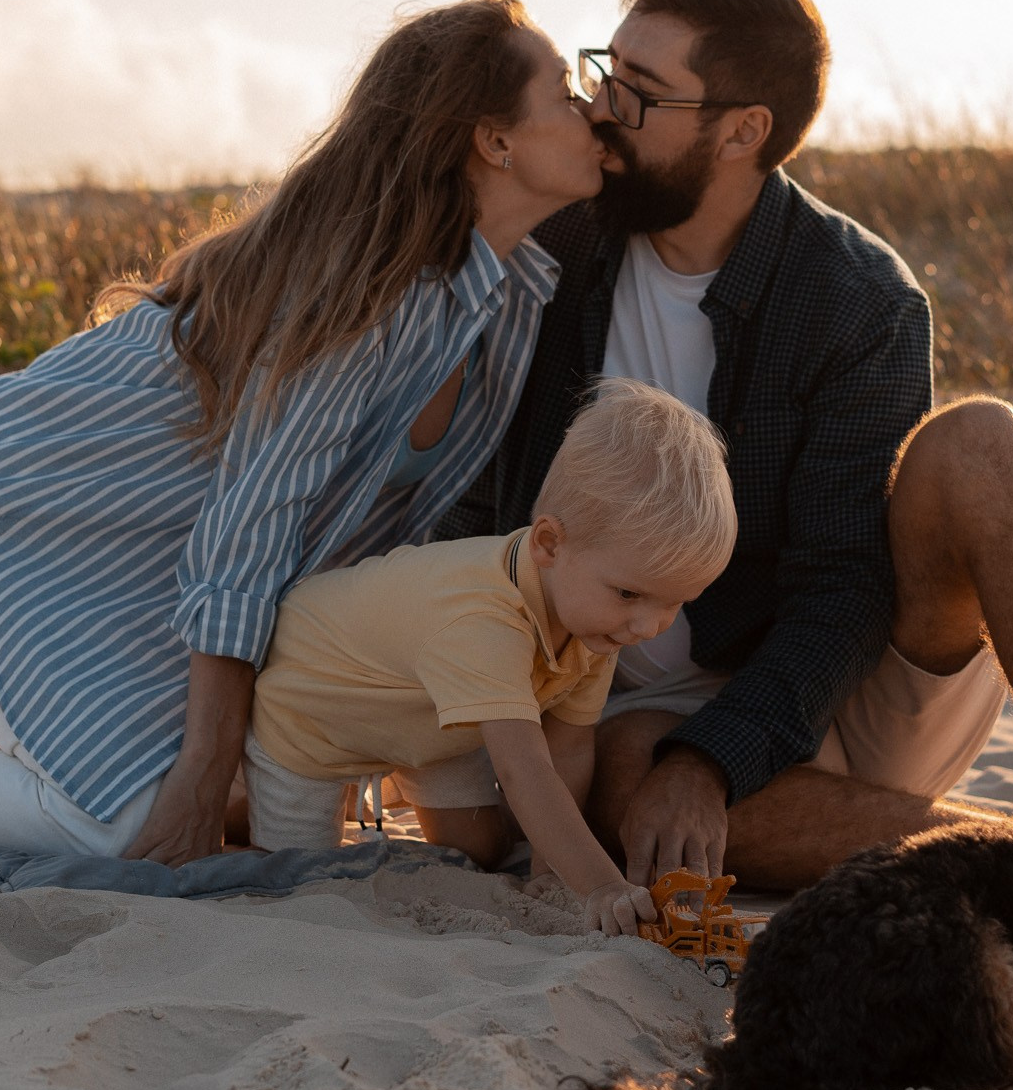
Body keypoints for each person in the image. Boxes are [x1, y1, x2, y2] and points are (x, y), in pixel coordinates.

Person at [0, 0, 606, 865]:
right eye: (565, 91)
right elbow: (250, 529)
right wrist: (201, 767)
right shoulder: (363, 294)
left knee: (216, 795)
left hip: (134, 557)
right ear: (494, 141)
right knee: (133, 826)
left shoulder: (506, 297)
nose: (592, 108)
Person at [438, 0, 1013, 890]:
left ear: (743, 131)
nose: (601, 110)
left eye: (640, 93)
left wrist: (712, 759)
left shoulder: (857, 297)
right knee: (632, 773)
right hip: (618, 707)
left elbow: (844, 585)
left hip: (831, 681)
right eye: (605, 73)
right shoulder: (554, 242)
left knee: (980, 444)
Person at [244, 378, 734, 934]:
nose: (648, 626)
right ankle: (250, 788)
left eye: (674, 603)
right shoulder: (483, 621)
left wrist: (553, 870)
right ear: (548, 544)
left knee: (479, 849)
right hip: (312, 719)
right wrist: (601, 885)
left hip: (432, 718)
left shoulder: (596, 620)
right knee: (296, 873)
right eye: (629, 594)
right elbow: (523, 770)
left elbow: (568, 747)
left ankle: (397, 782)